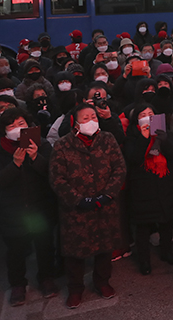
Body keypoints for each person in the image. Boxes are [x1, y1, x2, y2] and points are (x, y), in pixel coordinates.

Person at [48, 102, 126, 309]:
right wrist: (79, 200)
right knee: (75, 252)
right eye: (85, 118)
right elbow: (57, 179)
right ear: (75, 123)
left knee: (104, 247)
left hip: (105, 205)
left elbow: (119, 168)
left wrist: (108, 195)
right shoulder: (63, 145)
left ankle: (102, 282)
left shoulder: (107, 139)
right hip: (75, 210)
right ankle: (75, 289)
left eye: (94, 117)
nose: (91, 121)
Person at [0, 108, 58, 305]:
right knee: (16, 251)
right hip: (13, 211)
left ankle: (46, 278)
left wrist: (35, 158)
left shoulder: (41, 144)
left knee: (44, 246)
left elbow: (52, 173)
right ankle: (18, 284)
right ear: (4, 131)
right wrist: (15, 164)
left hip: (39, 207)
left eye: (21, 124)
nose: (17, 130)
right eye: (11, 126)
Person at [123, 103, 173, 275]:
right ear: (137, 119)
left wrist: (163, 140)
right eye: (143, 114)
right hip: (143, 187)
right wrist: (143, 138)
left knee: (166, 222)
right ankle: (144, 261)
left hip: (165, 184)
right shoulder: (132, 137)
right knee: (143, 227)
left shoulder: (164, 133)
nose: (148, 116)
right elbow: (133, 159)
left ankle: (167, 252)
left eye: (151, 113)